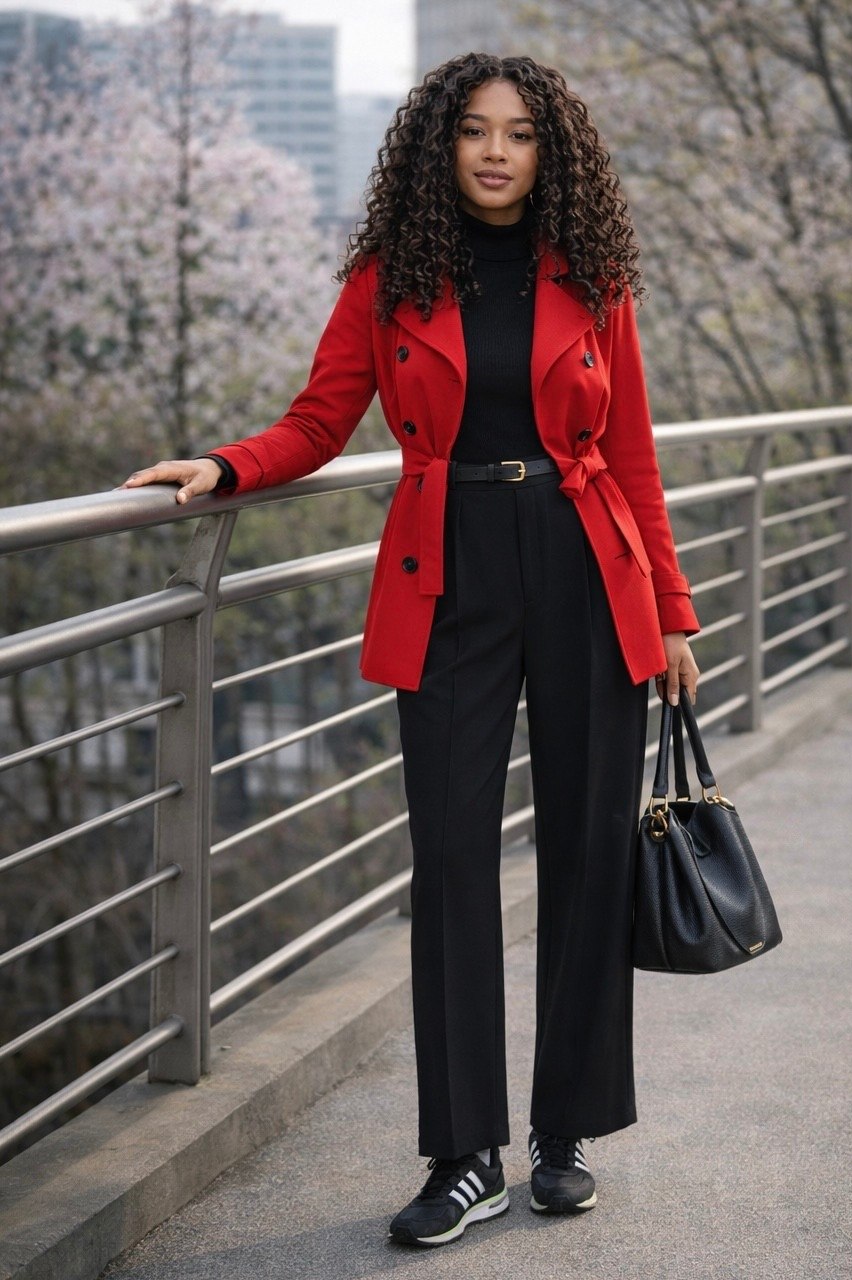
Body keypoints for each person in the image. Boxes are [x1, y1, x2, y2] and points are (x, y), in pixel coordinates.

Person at [121, 51, 700, 1247]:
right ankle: (463, 1154)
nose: (496, 151)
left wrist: (677, 613)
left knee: (586, 860)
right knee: (448, 865)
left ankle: (562, 1133)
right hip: (448, 578)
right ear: (440, 147)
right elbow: (320, 417)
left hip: (591, 569)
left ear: (552, 153)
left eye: (521, 134)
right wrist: (227, 466)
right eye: (475, 131)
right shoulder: (393, 278)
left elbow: (634, 451)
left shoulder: (591, 275)